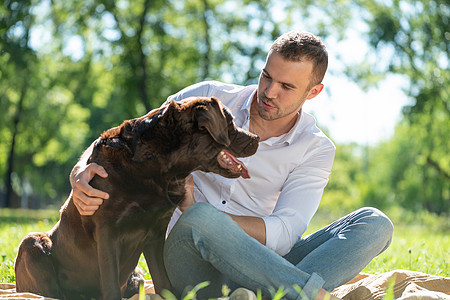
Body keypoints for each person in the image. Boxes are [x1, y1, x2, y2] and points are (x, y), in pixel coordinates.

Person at [70, 30, 393, 300]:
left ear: (314, 92)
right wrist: (81, 171)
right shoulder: (206, 98)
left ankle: (276, 294)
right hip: (188, 258)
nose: (269, 92)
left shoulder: (315, 148)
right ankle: (307, 295)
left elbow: (284, 233)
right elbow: (131, 136)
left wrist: (216, 222)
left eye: (286, 87)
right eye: (267, 76)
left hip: (262, 267)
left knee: (375, 223)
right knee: (198, 218)